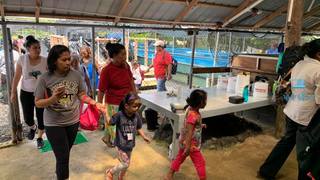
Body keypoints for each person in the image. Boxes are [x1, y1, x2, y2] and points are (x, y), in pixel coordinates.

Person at [34, 45, 105, 180]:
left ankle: (59, 174)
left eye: (69, 59)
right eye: (64, 60)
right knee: (63, 157)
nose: (68, 62)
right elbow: (37, 102)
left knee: (64, 155)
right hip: (53, 123)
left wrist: (95, 103)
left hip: (72, 122)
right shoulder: (44, 78)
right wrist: (53, 98)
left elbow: (82, 95)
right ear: (54, 61)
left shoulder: (76, 75)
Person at [258, 39, 320, 179]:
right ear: (319, 54)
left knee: (286, 142)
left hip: (292, 111)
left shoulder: (299, 64)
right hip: (306, 117)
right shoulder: (318, 70)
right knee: (305, 151)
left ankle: (266, 171)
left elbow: (294, 85)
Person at [10, 35, 47, 148]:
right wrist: (13, 92)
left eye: (39, 47)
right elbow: (16, 77)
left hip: (40, 93)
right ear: (28, 49)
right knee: (27, 118)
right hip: (26, 92)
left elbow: (50, 76)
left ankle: (39, 137)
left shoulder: (45, 61)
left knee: (41, 117)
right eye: (35, 48)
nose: (38, 50)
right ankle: (32, 127)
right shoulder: (22, 60)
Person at [105, 93, 150, 180]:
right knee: (126, 163)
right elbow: (110, 122)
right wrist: (105, 112)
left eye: (138, 106)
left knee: (126, 164)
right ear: (126, 106)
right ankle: (110, 172)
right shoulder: (119, 115)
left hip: (130, 145)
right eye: (134, 106)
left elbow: (139, 127)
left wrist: (144, 136)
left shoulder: (136, 115)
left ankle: (120, 177)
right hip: (120, 145)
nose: (136, 108)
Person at [98, 43, 136, 147]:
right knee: (116, 127)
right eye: (122, 54)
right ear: (114, 56)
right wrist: (99, 105)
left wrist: (135, 95)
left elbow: (131, 81)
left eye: (125, 54)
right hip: (113, 103)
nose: (125, 57)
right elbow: (101, 90)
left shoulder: (126, 66)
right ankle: (121, 149)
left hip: (127, 101)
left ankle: (107, 138)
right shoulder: (106, 71)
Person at [165, 89, 207, 180]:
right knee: (200, 163)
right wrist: (188, 147)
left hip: (184, 141)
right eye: (205, 100)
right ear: (200, 102)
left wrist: (200, 125)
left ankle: (169, 174)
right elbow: (189, 131)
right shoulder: (193, 115)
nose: (206, 102)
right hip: (190, 144)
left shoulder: (190, 109)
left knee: (180, 158)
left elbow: (191, 126)